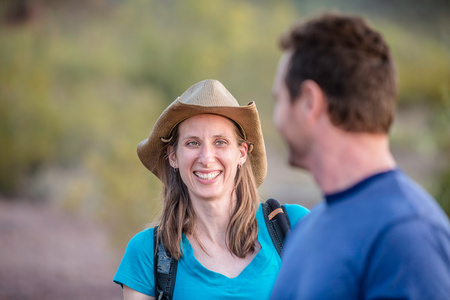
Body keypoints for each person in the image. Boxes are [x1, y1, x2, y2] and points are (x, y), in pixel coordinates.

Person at [270, 13, 450, 299]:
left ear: (309, 102)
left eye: (278, 100)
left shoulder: (407, 237)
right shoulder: (307, 230)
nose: (276, 118)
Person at [113, 79, 309, 299]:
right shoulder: (147, 253)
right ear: (173, 156)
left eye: (220, 142)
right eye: (193, 143)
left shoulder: (293, 227)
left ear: (242, 153)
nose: (206, 159)